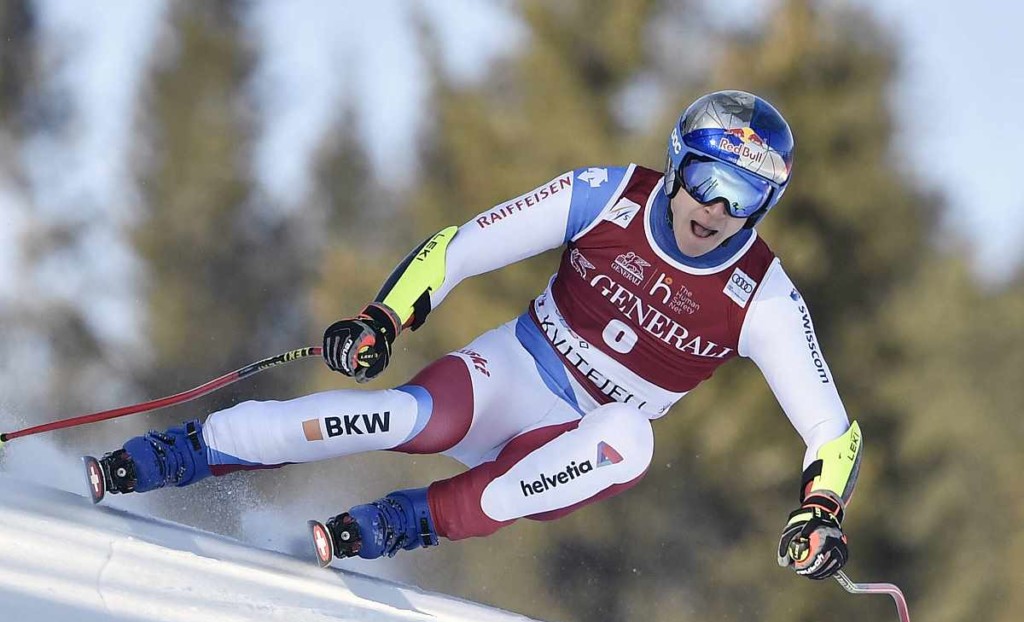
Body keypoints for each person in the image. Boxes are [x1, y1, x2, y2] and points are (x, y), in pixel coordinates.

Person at [91, 90, 861, 579]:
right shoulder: (606, 196)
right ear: (675, 165)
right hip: (513, 372)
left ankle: (402, 522)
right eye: (704, 179)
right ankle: (173, 453)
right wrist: (382, 317)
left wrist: (820, 508)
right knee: (395, 417)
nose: (714, 209)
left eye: (744, 195)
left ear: (763, 206)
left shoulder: (760, 291)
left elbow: (830, 427)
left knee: (631, 436)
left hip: (573, 442)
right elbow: (459, 249)